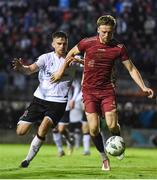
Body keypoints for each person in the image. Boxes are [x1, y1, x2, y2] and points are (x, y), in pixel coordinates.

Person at [51, 15, 154, 171]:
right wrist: (60, 72)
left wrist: (143, 87)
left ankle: (118, 143)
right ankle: (104, 158)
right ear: (98, 29)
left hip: (107, 90)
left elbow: (131, 68)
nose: (107, 35)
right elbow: (70, 54)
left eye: (110, 32)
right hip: (89, 91)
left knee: (112, 124)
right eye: (104, 32)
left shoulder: (118, 48)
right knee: (93, 128)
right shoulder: (87, 42)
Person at [12, 31, 75, 168]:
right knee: (21, 131)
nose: (62, 46)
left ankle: (27, 160)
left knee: (45, 126)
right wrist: (21, 67)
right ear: (53, 44)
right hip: (39, 100)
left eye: (65, 43)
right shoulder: (45, 58)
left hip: (58, 103)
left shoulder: (73, 59)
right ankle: (36, 130)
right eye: (59, 43)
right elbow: (29, 70)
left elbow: (91, 66)